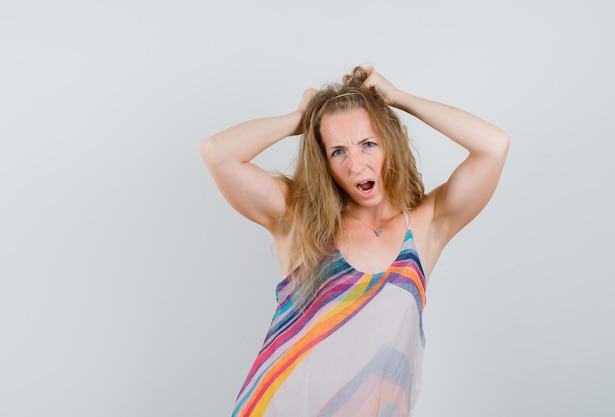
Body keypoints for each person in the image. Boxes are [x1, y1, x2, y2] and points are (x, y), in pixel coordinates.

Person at [201, 66, 509, 417]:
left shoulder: (425, 225)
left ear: (389, 143)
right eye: (338, 152)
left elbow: (494, 146)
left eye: (368, 144)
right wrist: (300, 119)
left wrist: (400, 100)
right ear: (325, 163)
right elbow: (217, 153)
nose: (356, 164)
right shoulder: (300, 219)